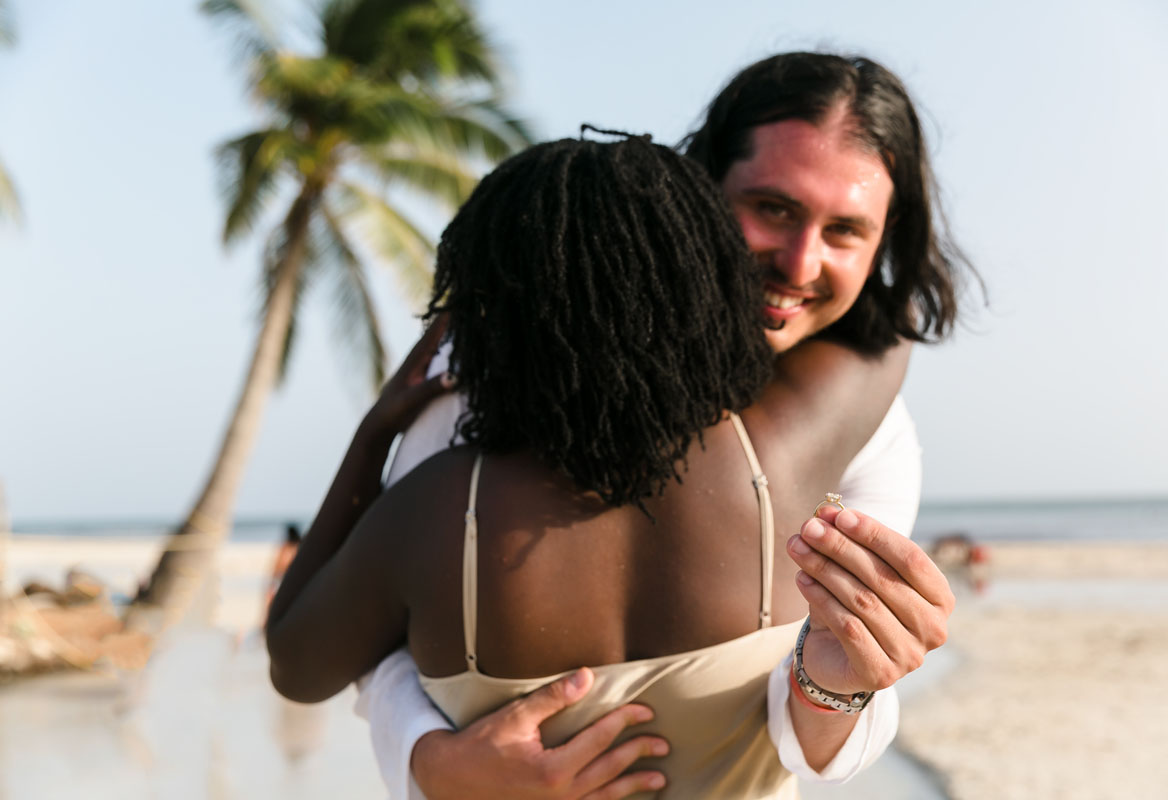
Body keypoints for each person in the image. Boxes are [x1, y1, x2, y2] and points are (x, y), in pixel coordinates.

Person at [353, 52, 971, 799]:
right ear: (701, 187)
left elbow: (809, 742)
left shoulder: (868, 426)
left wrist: (837, 685)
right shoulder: (513, 373)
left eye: (844, 230)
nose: (800, 264)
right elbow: (373, 619)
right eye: (773, 209)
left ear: (886, 240)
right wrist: (429, 761)